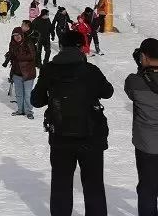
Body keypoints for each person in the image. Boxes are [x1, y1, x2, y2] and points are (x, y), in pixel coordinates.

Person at [31, 30, 114, 216]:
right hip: (90, 136)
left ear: (61, 46)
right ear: (80, 47)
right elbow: (108, 92)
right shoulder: (91, 71)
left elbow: (36, 101)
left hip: (60, 136)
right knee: (93, 186)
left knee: (61, 185)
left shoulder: (49, 69)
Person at [125, 38, 158, 216]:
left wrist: (142, 68)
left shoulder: (135, 81)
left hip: (146, 145)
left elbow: (131, 90)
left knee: (147, 189)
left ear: (143, 56)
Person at [3, 27, 37, 119]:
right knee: (18, 93)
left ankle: (28, 111)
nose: (16, 37)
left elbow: (33, 56)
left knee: (27, 94)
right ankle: (20, 110)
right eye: (14, 36)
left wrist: (19, 56)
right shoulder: (12, 44)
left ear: (21, 35)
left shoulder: (28, 43)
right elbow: (12, 56)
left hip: (28, 72)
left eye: (18, 35)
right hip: (16, 73)